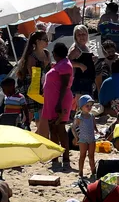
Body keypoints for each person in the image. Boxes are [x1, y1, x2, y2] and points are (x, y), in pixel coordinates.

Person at [43, 41, 73, 169]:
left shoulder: (65, 65)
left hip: (59, 101)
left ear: (55, 53)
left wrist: (59, 104)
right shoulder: (60, 64)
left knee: (60, 129)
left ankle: (65, 159)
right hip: (52, 101)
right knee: (53, 129)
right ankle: (55, 158)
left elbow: (64, 85)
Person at [74, 94, 97, 179]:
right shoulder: (79, 117)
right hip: (82, 139)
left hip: (91, 139)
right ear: (81, 106)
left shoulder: (92, 116)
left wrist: (98, 131)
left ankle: (93, 172)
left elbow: (94, 125)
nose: (89, 107)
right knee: (82, 156)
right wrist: (76, 137)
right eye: (87, 106)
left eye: (91, 106)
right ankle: (80, 172)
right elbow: (73, 128)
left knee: (91, 156)